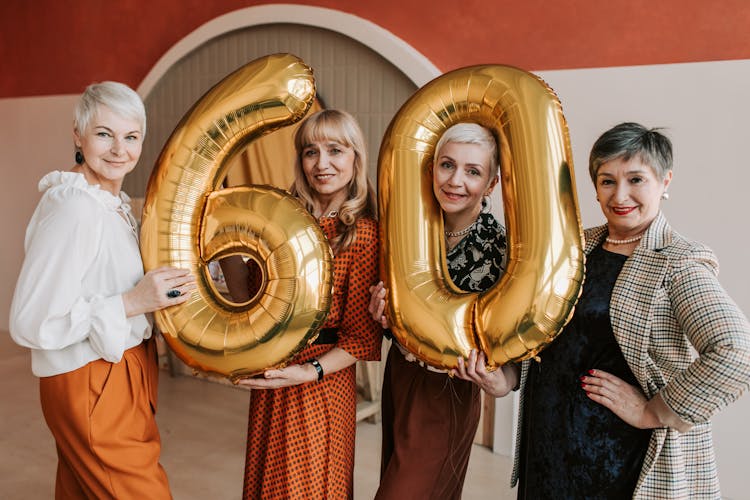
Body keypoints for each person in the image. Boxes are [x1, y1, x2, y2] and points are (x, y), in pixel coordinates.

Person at [456, 122, 750, 499]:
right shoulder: (575, 247)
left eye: (636, 179)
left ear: (665, 180)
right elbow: (547, 339)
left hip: (618, 464)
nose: (620, 194)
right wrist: (507, 378)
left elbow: (736, 351)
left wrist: (654, 411)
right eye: (607, 180)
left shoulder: (679, 262)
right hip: (547, 449)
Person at [9, 81, 195, 499]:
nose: (119, 150)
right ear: (78, 134)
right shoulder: (75, 207)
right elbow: (28, 321)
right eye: (104, 134)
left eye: (130, 137)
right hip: (92, 380)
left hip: (122, 371)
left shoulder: (110, 203)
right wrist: (133, 302)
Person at [226, 109, 382, 499]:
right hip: (275, 373)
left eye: (335, 150)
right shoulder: (283, 223)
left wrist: (306, 372)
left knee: (307, 490)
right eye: (310, 151)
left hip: (320, 385)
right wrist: (221, 231)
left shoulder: (360, 234)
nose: (322, 163)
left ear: (355, 158)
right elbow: (249, 296)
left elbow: (360, 338)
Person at [369, 123, 517, 499]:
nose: (455, 180)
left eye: (473, 171)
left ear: (491, 185)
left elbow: (517, 335)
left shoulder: (502, 251)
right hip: (400, 376)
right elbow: (397, 318)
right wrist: (385, 317)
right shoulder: (410, 230)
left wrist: (507, 379)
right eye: (447, 165)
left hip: (449, 390)